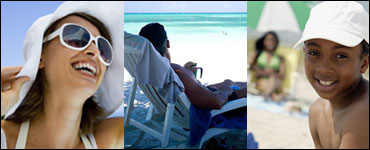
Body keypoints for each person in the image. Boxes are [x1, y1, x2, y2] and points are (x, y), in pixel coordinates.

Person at [1, 2, 124, 149]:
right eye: (77, 39)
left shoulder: (114, 134)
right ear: (40, 56)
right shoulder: (5, 139)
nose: (95, 51)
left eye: (103, 48)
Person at [294, 1, 369, 149]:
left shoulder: (364, 109)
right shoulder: (316, 111)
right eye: (314, 53)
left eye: (341, 56)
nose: (324, 69)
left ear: (364, 63)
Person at [138, 23, 247, 110]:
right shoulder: (175, 73)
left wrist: (186, 72)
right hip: (210, 106)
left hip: (192, 100)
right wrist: (225, 91)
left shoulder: (149, 69)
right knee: (241, 89)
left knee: (228, 82)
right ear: (168, 43)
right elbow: (216, 102)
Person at [249, 31, 285, 101]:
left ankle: (265, 96)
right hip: (261, 81)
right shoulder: (257, 54)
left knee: (272, 79)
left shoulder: (280, 58)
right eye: (268, 39)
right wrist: (269, 72)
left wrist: (263, 71)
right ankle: (274, 96)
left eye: (273, 40)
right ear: (264, 41)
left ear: (276, 42)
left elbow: (282, 76)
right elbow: (251, 68)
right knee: (265, 81)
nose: (270, 42)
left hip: (276, 81)